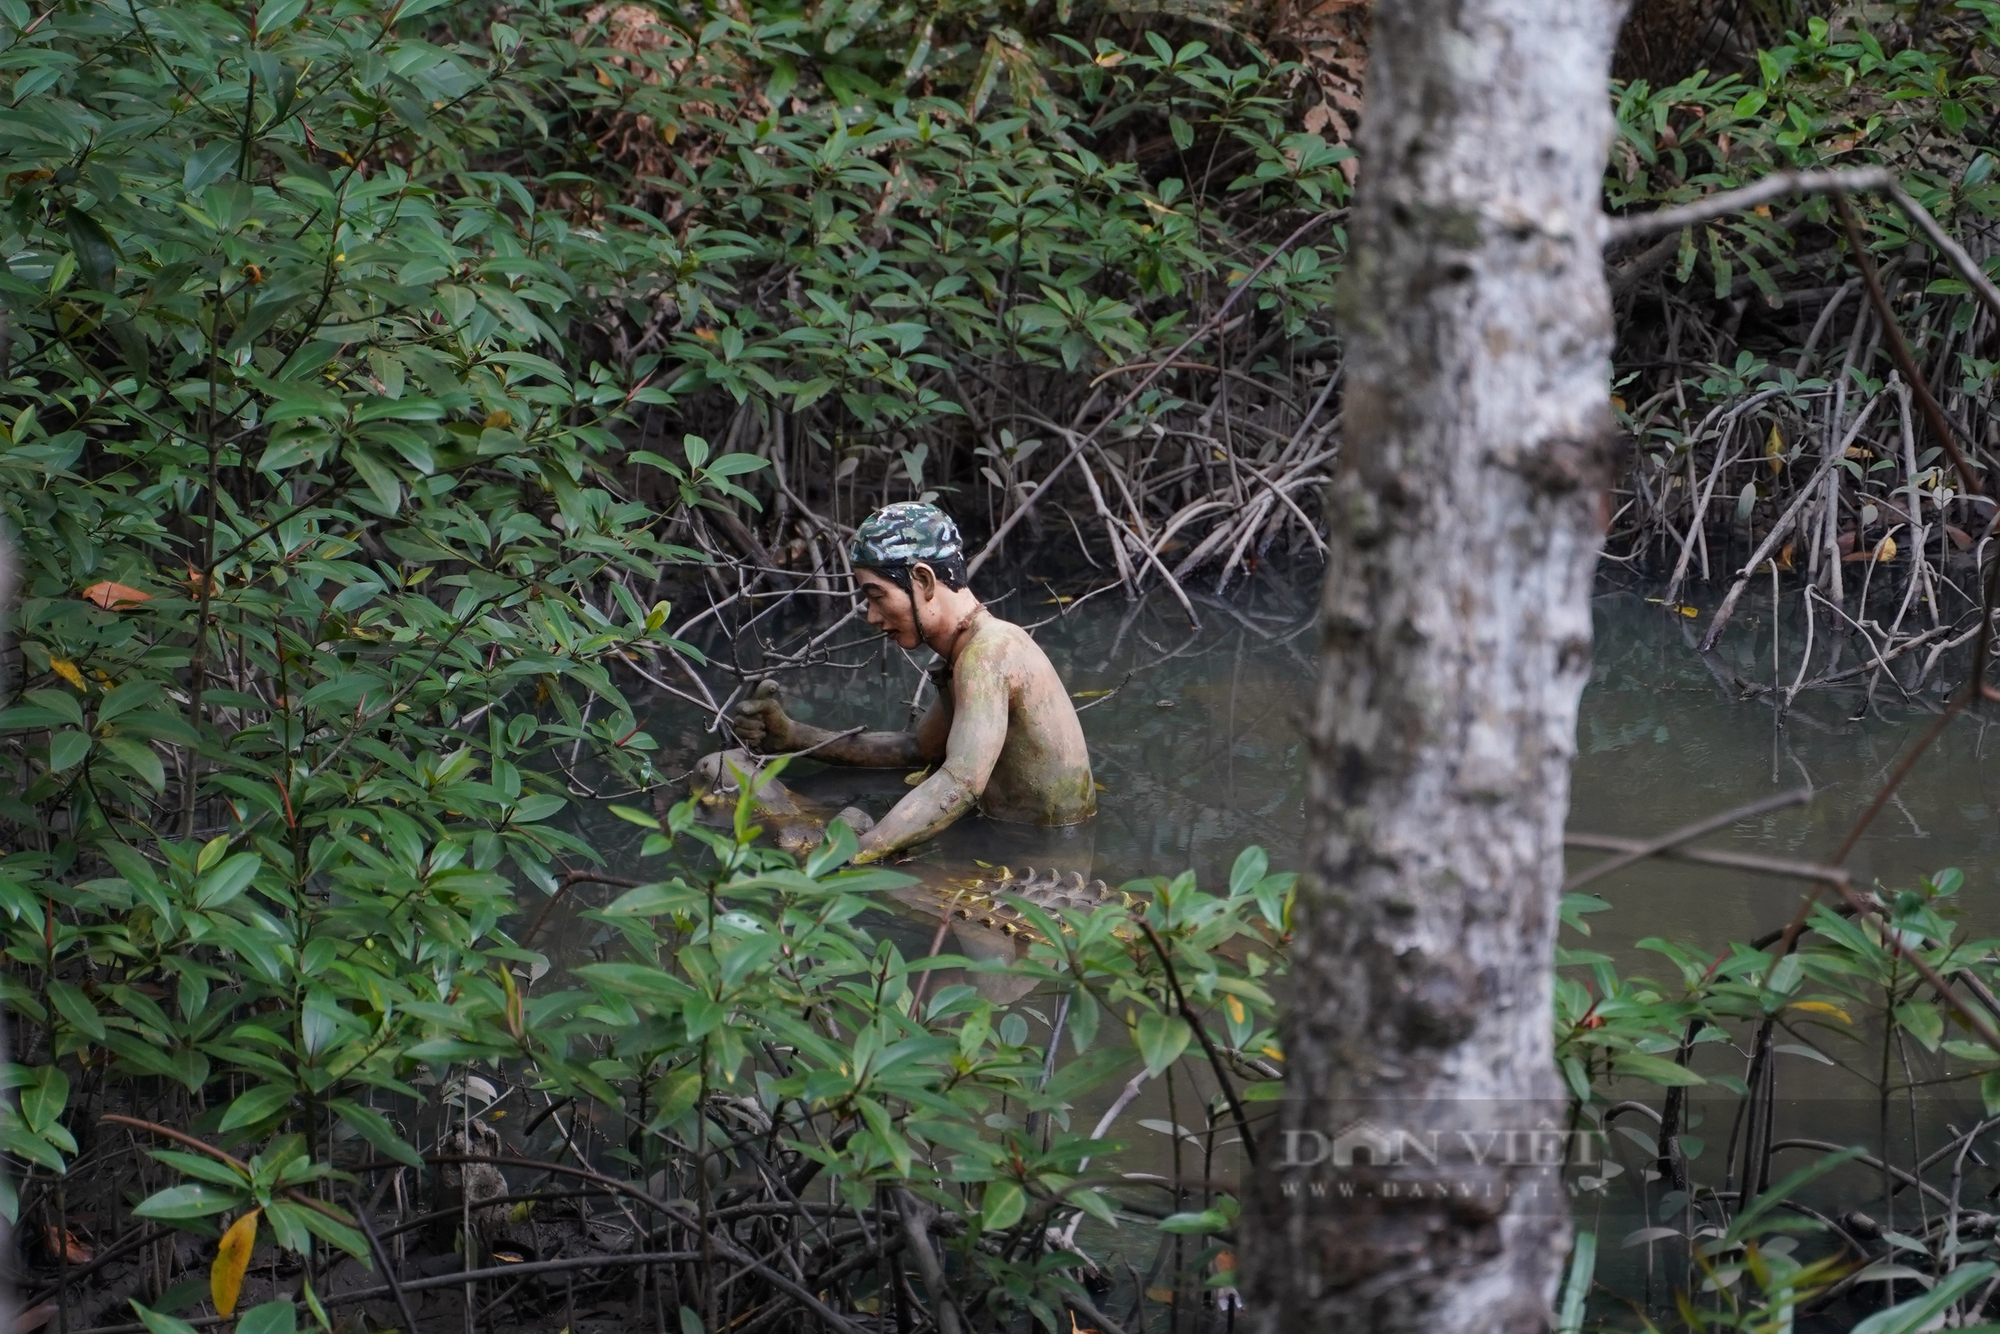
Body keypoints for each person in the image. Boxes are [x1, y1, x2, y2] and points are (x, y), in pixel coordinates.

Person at [729, 501, 1095, 864]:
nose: (871, 616)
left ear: (923, 581)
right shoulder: (966, 650)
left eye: (877, 596)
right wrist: (793, 736)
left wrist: (861, 850)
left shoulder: (990, 654)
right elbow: (918, 750)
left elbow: (960, 782)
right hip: (1012, 840)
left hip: (1044, 857)